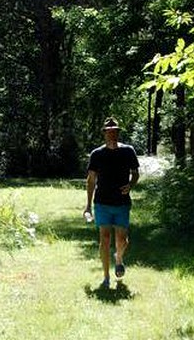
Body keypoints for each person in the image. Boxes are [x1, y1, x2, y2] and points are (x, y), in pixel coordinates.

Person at [84, 117, 140, 288]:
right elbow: (91, 180)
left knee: (123, 240)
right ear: (104, 133)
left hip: (122, 203)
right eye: (109, 131)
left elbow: (136, 173)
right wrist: (88, 206)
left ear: (118, 132)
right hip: (102, 202)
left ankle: (119, 258)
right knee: (105, 239)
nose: (112, 134)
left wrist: (130, 185)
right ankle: (106, 277)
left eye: (115, 131)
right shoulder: (97, 154)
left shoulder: (128, 151)